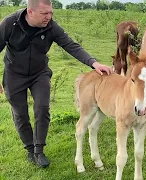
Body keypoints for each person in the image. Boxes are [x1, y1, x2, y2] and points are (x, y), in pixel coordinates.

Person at [0, 0, 112, 168]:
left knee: (42, 107)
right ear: (30, 12)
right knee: (20, 113)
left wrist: (94, 63)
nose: (49, 17)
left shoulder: (51, 27)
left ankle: (39, 150)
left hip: (39, 73)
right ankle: (30, 148)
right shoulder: (10, 23)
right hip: (14, 75)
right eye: (45, 14)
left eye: (51, 13)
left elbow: (71, 45)